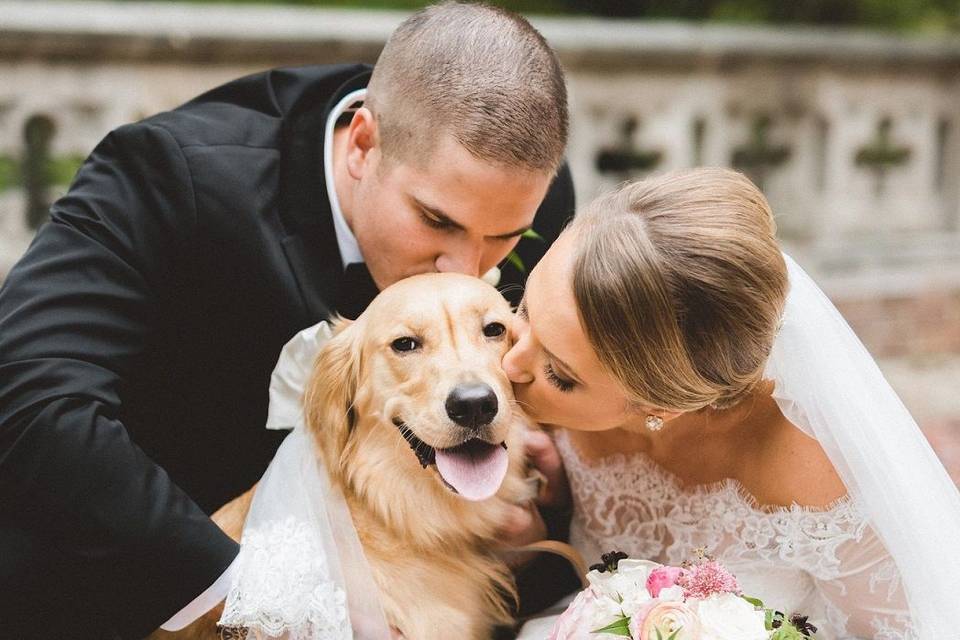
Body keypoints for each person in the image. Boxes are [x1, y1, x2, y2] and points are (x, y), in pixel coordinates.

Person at [0, 3, 574, 636]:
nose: (465, 267)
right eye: (438, 222)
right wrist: (258, 596)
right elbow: (29, 399)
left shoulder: (516, 186)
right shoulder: (168, 176)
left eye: (502, 236)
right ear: (362, 144)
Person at [503, 168, 960, 639]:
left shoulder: (819, 472)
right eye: (521, 311)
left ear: (659, 406)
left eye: (559, 374)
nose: (510, 365)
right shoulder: (521, 389)